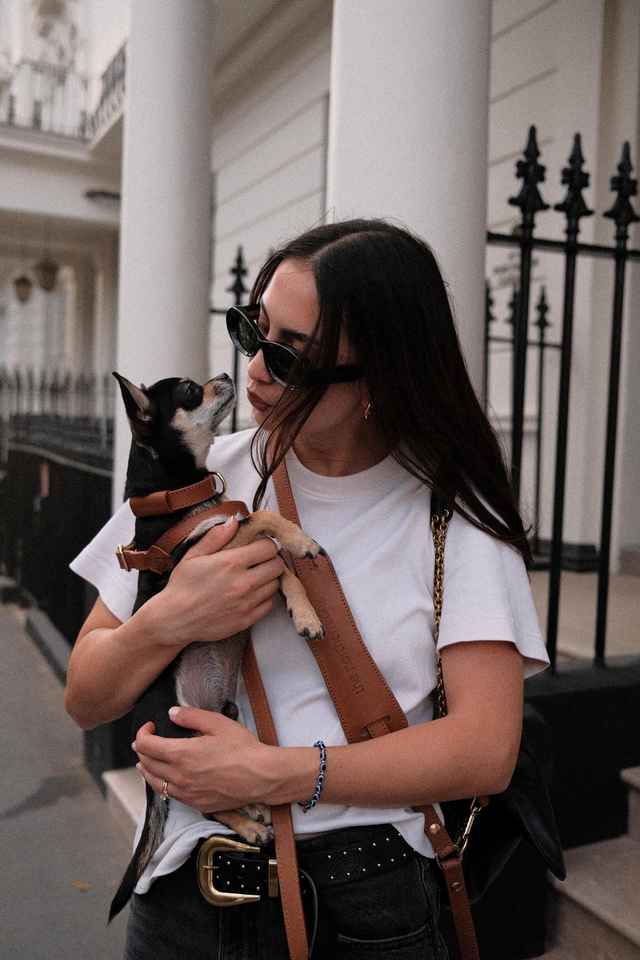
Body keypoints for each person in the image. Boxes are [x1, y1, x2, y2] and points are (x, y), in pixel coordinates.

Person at [64, 218, 550, 960]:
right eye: (253, 331)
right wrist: (173, 618)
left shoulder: (451, 516)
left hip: (364, 908)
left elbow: (485, 749)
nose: (256, 369)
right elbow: (86, 697)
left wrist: (272, 773)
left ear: (379, 377)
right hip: (178, 903)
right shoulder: (197, 481)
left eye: (290, 356)